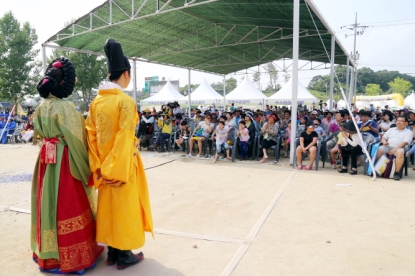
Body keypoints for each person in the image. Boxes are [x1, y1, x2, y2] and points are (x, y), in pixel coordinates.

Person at [85, 39, 153, 270]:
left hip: (103, 167)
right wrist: (116, 169)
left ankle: (112, 251)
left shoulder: (96, 102)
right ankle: (124, 254)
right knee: (125, 208)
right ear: (125, 74)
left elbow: (90, 136)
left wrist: (99, 166)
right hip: (121, 167)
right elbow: (124, 137)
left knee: (108, 209)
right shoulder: (125, 102)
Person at [31, 57, 103, 274]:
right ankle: (74, 257)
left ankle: (48, 255)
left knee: (46, 200)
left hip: (46, 158)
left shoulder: (40, 107)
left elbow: (37, 134)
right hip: (64, 159)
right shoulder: (66, 107)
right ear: (65, 83)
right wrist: (87, 167)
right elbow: (78, 139)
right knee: (67, 201)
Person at [376, 116, 413, 181]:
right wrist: (384, 142)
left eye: (401, 121)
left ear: (406, 123)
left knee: (400, 152)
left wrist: (394, 149)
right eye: (398, 120)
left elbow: (404, 143)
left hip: (400, 147)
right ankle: (377, 169)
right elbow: (383, 138)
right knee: (380, 149)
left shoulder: (409, 132)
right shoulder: (391, 129)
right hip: (388, 146)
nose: (399, 122)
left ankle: (397, 173)